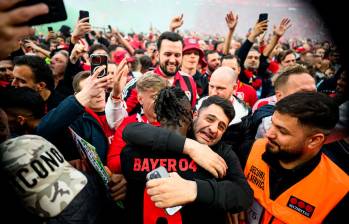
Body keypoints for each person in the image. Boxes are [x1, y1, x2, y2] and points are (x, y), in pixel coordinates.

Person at [121, 91, 253, 223]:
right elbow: (130, 130)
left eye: (221, 126)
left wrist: (194, 189)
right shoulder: (158, 138)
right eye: (210, 119)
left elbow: (243, 195)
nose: (214, 129)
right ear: (195, 115)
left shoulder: (222, 153)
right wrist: (190, 146)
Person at [242, 92, 348, 223]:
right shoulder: (253, 149)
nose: (268, 134)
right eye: (272, 123)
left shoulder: (339, 192)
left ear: (314, 140)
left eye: (282, 131)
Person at [123, 31, 198, 115]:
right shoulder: (139, 83)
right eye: (168, 54)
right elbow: (119, 119)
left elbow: (192, 114)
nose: (172, 60)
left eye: (177, 55)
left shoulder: (189, 81)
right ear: (157, 55)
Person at [107, 73, 167, 173]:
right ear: (140, 99)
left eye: (163, 96)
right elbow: (113, 163)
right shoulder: (128, 124)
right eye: (154, 97)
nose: (160, 101)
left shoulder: (176, 123)